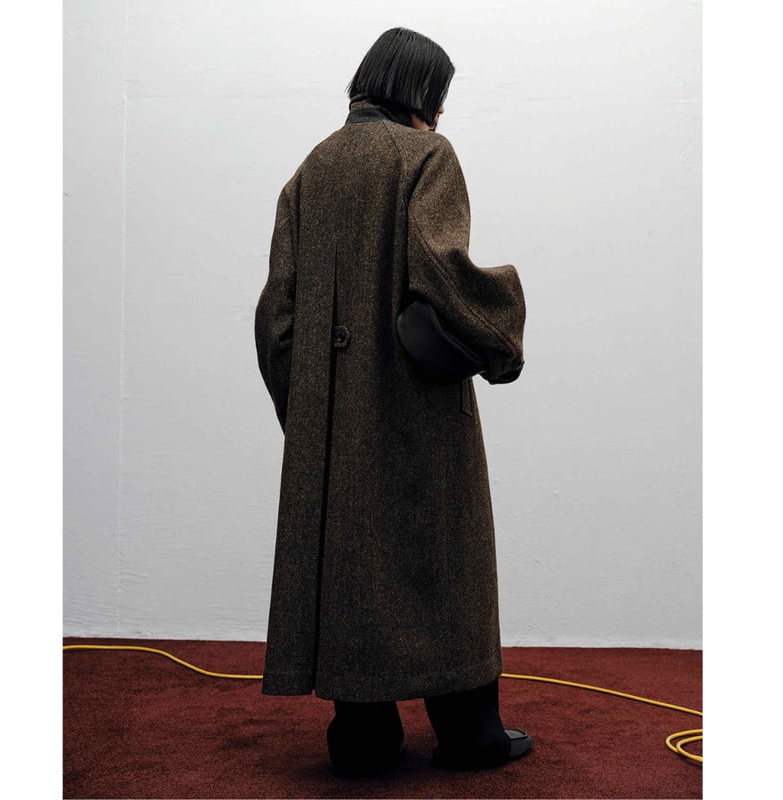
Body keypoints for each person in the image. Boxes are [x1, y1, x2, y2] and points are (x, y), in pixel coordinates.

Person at [254, 27, 530, 777]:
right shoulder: (426, 157)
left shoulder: (310, 170)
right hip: (418, 410)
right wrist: (504, 321)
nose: (440, 113)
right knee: (445, 557)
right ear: (419, 91)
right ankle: (470, 733)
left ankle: (362, 737)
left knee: (349, 561)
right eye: (438, 96)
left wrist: (309, 412)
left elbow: (276, 316)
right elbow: (441, 271)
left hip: (333, 421)